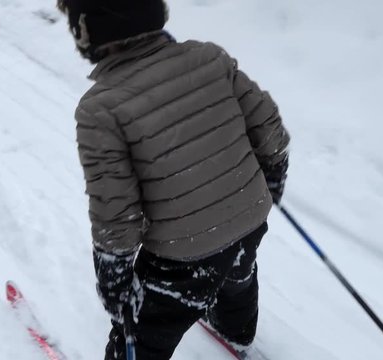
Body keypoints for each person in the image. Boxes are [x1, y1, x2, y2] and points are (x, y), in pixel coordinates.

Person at [56, 1, 290, 359]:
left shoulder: (100, 109)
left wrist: (115, 281)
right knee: (236, 274)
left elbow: (115, 210)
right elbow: (268, 126)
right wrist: (271, 178)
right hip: (249, 214)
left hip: (183, 253)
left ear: (88, 33)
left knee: (149, 323)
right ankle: (236, 332)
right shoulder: (209, 58)